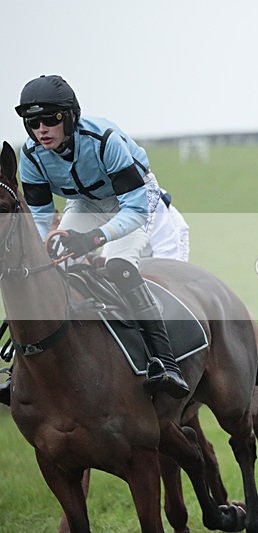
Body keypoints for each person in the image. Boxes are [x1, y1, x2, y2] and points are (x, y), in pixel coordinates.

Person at [7, 74, 189, 400]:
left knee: (117, 265)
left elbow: (134, 209)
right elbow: (40, 219)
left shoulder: (104, 141)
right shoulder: (32, 156)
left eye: (50, 119)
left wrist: (93, 239)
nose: (41, 129)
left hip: (134, 200)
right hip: (86, 203)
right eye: (33, 123)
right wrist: (43, 253)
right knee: (46, 269)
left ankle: (167, 362)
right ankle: (21, 367)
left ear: (70, 117)